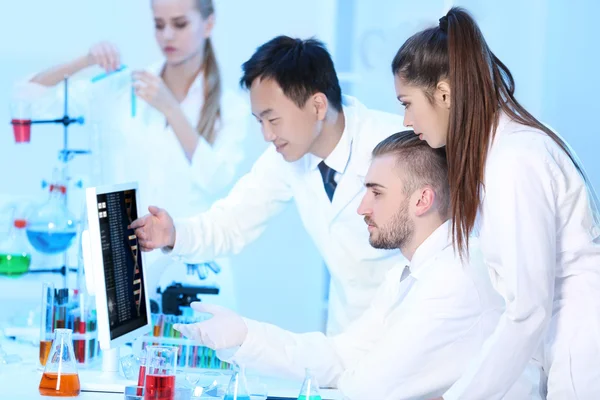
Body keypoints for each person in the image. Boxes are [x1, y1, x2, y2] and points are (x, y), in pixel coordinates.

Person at [172, 131, 541, 400]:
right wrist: (244, 335)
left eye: (376, 192)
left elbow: (366, 387)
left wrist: (351, 373)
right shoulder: (406, 273)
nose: (362, 207)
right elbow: (342, 356)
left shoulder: (456, 277)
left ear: (422, 199)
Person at [130, 35, 407, 335]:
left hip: (409, 331)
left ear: (317, 106)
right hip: (347, 337)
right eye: (259, 122)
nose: (267, 135)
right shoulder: (287, 158)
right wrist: (173, 234)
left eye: (273, 120)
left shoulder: (397, 143)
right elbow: (231, 222)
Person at [391, 7, 600, 399]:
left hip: (582, 358)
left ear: (445, 94)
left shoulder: (514, 159)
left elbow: (527, 312)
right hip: (566, 351)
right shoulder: (505, 148)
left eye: (407, 103)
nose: (406, 120)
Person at [13, 0, 251, 309]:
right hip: (125, 270)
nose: (167, 35)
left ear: (208, 24)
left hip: (194, 271)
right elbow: (26, 99)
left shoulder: (230, 107)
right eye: (159, 24)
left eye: (179, 24)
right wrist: (84, 61)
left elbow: (216, 179)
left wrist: (171, 109)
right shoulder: (123, 88)